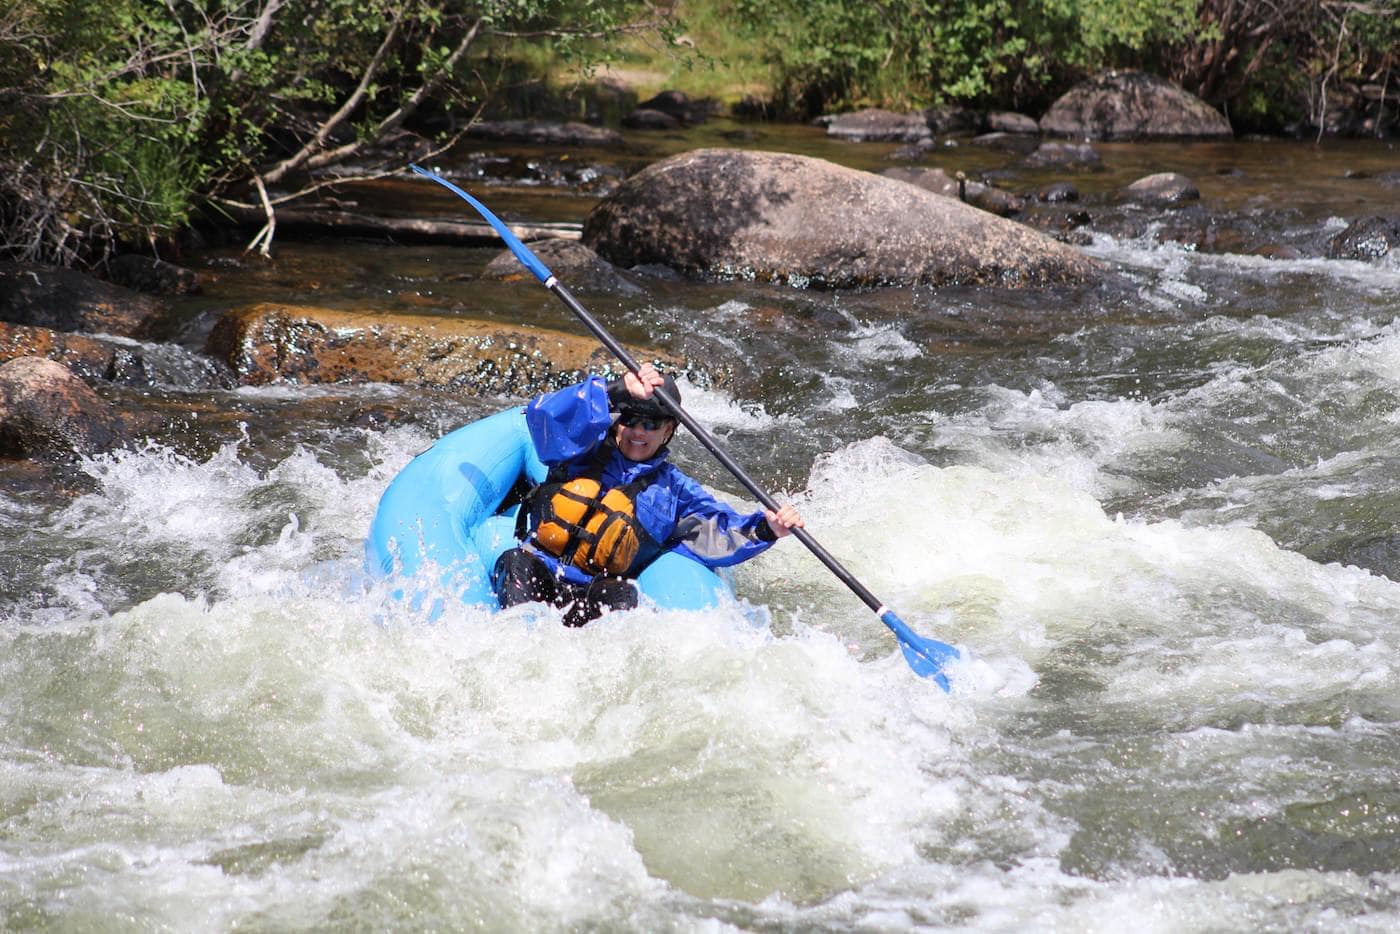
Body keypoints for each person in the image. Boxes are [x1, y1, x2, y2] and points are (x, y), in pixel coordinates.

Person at [492, 362, 803, 626]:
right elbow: (544, 415)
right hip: (540, 568)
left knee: (622, 595)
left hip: (595, 589)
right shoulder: (579, 450)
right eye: (630, 419)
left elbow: (717, 531)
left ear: (668, 430)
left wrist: (767, 528)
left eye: (650, 424)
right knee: (514, 561)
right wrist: (615, 391)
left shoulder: (675, 490)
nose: (638, 431)